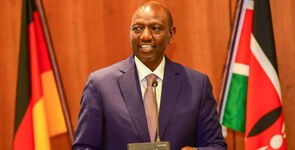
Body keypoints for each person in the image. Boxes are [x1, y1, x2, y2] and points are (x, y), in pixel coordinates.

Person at [73, 1, 226, 150]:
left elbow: (216, 145)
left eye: (156, 28)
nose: (145, 36)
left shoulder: (197, 85)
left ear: (171, 35)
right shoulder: (100, 85)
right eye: (138, 28)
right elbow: (83, 146)